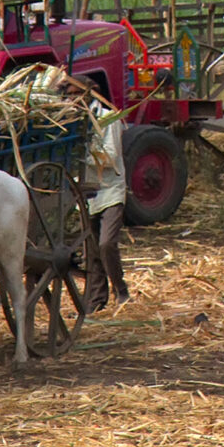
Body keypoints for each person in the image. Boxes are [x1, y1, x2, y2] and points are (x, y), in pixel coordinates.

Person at [81, 105, 130, 312]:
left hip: (110, 189)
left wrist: (82, 156)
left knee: (106, 243)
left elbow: (110, 157)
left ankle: (121, 289)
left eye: (75, 94)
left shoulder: (109, 119)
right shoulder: (73, 119)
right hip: (86, 191)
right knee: (91, 250)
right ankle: (97, 300)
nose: (71, 98)